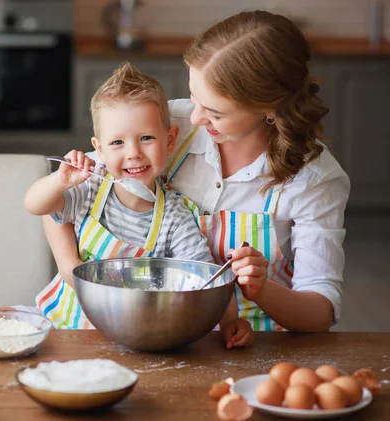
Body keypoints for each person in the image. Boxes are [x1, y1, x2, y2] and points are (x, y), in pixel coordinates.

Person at [43, 10, 350, 333]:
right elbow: (65, 192)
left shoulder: (314, 179)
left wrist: (261, 289)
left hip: (249, 339)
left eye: (215, 112)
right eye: (194, 97)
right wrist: (70, 268)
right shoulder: (165, 126)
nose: (195, 118)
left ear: (268, 108)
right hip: (151, 326)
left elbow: (320, 312)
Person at [24, 62, 255, 348]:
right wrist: (60, 181)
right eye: (118, 142)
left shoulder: (174, 215)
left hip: (135, 337)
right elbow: (35, 204)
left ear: (169, 140)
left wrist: (230, 321)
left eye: (146, 138)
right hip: (67, 330)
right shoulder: (89, 189)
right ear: (99, 148)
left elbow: (203, 277)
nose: (133, 153)